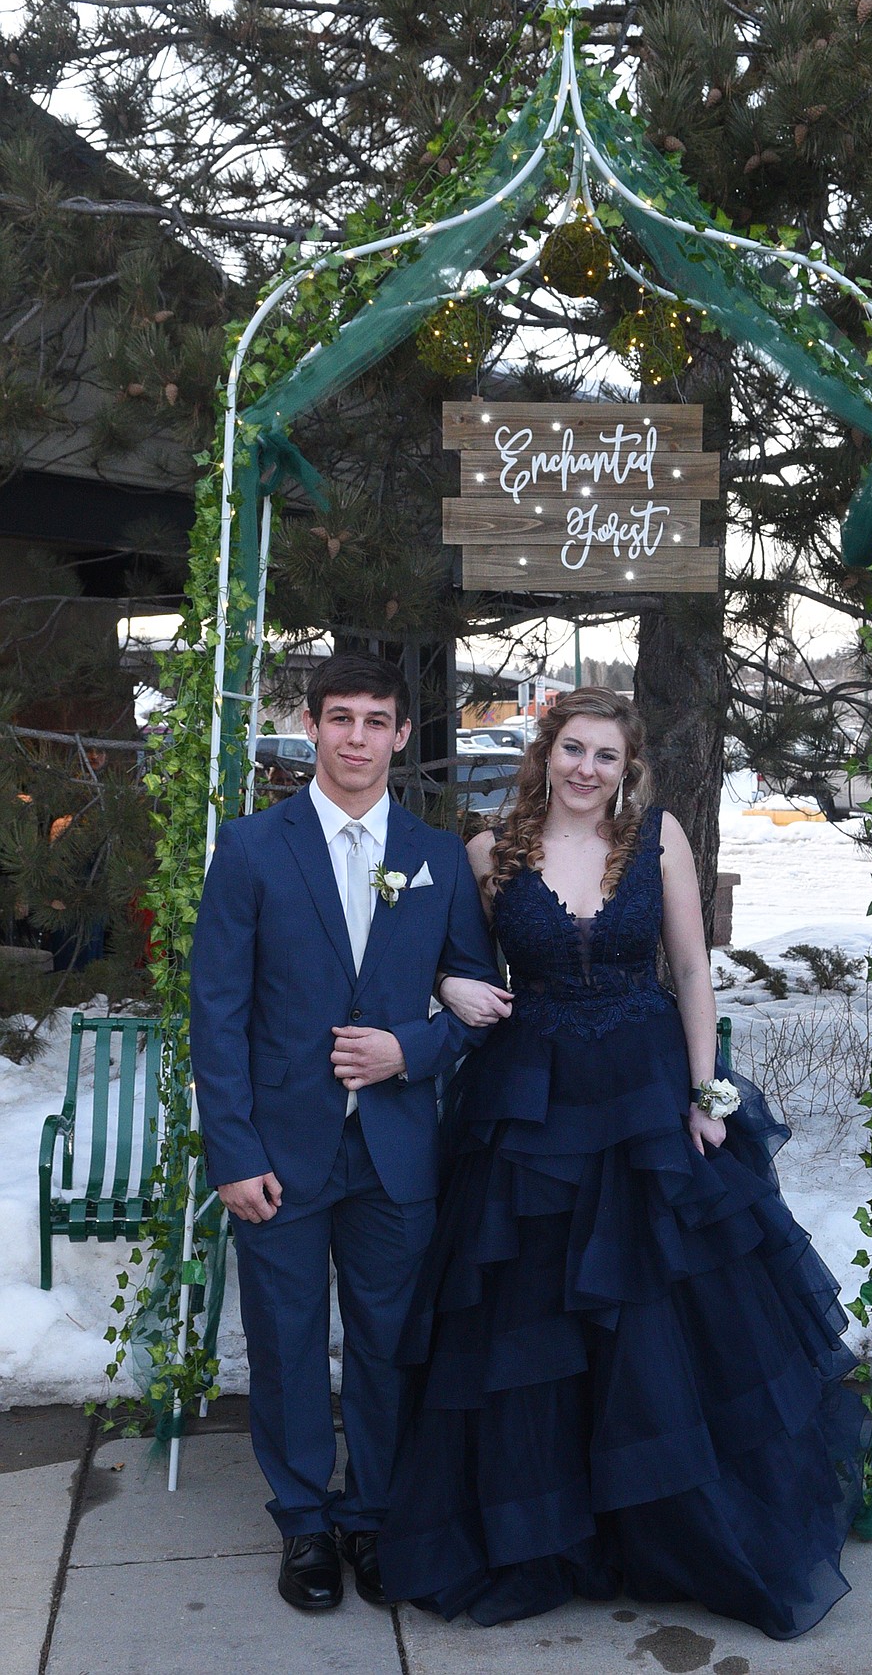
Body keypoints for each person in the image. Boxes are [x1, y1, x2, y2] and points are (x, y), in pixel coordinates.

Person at [377, 687, 868, 1640]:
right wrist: (447, 982)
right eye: (572, 750)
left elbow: (689, 969)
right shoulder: (489, 854)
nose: (587, 769)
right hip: (533, 1108)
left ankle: (675, 1528)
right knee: (537, 1319)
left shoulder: (660, 841)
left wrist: (705, 1092)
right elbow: (440, 960)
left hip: (647, 1096)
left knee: (662, 1315)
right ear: (544, 754)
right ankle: (550, 1531)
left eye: (606, 755)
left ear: (626, 766)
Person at [189, 653, 505, 1613]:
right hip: (281, 1152)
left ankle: (371, 1514)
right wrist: (234, 1155)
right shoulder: (250, 848)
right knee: (285, 1343)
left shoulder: (438, 855)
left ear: (403, 736)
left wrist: (406, 1051)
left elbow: (473, 1006)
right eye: (340, 718)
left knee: (385, 1340)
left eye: (376, 720)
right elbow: (218, 1014)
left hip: (396, 1150)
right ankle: (303, 1521)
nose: (357, 736)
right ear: (313, 727)